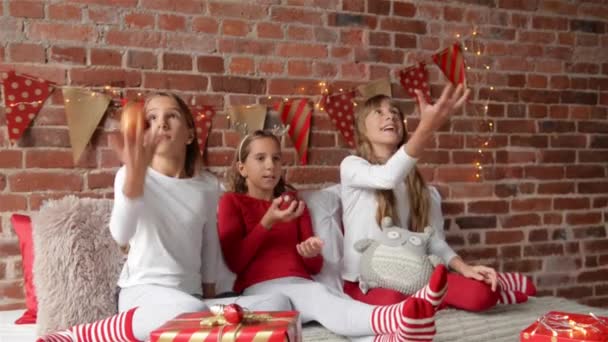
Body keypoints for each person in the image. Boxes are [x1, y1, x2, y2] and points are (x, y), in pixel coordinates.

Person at [38, 92, 290, 342]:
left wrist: (210, 294)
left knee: (278, 301)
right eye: (152, 119)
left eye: (172, 115)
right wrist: (135, 179)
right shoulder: (129, 174)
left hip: (192, 297)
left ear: (190, 134)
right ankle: (78, 335)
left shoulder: (207, 185)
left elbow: (210, 242)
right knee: (190, 312)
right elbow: (120, 234)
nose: (162, 123)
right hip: (143, 294)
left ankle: (201, 321)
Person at [218, 129, 450, 341]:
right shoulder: (232, 202)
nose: (270, 165)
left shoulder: (294, 203)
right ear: (242, 168)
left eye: (276, 158)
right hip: (260, 291)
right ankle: (399, 315)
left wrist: (310, 252)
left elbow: (315, 267)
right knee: (321, 298)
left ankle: (391, 339)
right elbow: (236, 261)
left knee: (335, 303)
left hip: (301, 284)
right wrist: (267, 221)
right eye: (260, 158)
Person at [341, 85, 536, 310]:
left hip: (411, 275)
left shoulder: (415, 184)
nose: (390, 116)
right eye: (379, 112)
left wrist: (464, 268)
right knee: (395, 304)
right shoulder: (352, 166)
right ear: (362, 128)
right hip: (365, 281)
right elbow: (387, 178)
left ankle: (496, 285)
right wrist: (427, 128)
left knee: (481, 296)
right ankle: (437, 298)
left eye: (395, 112)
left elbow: (431, 239)